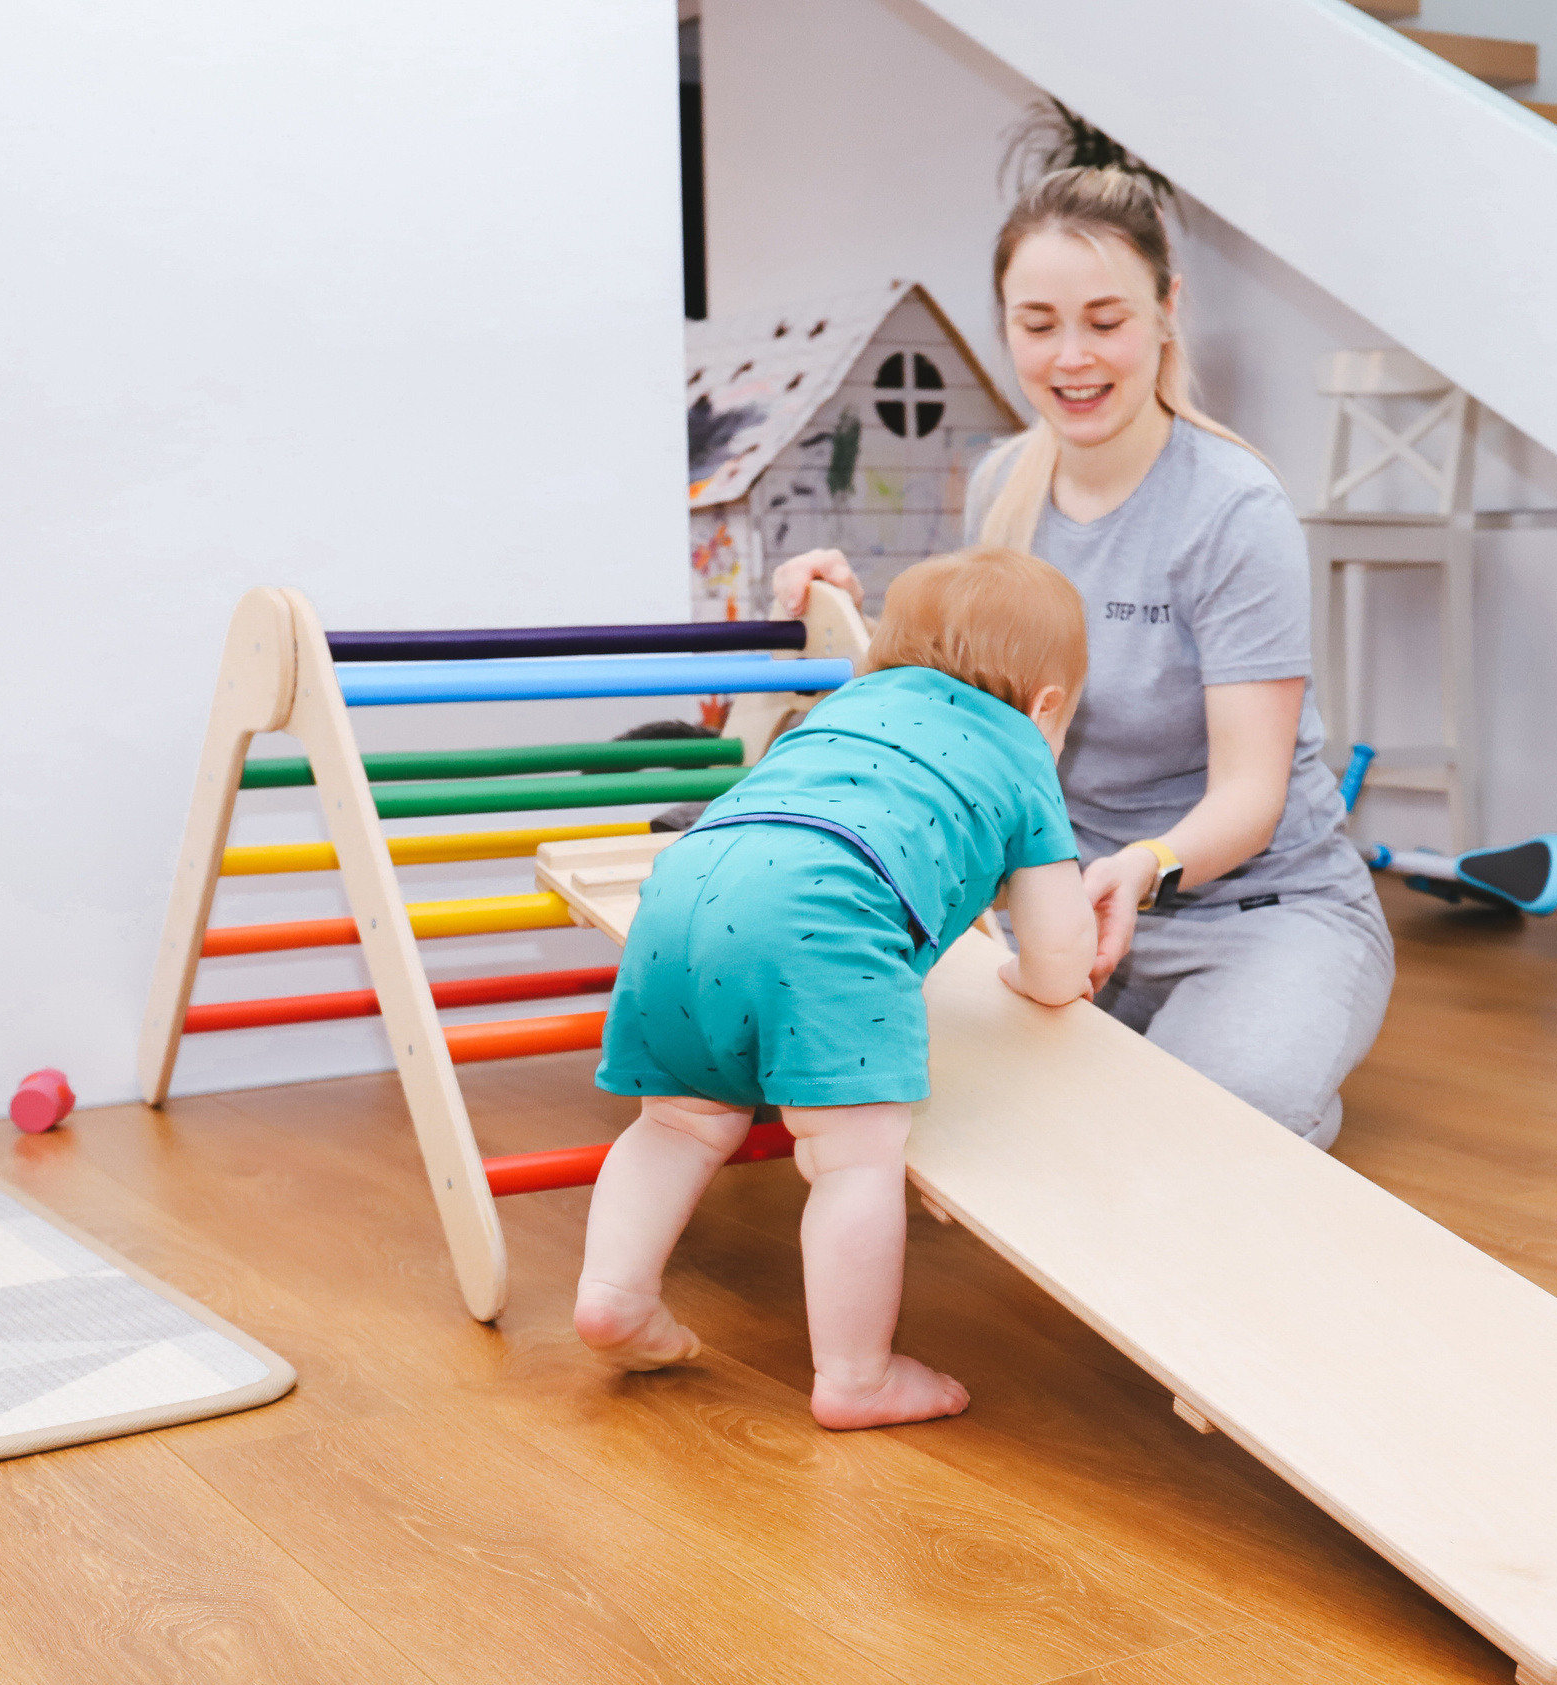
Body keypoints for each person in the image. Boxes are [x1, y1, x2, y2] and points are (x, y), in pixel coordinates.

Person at [775, 166, 1393, 1151]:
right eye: (1038, 324)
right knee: (895, 1092)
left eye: (1105, 321)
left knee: (1203, 1135)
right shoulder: (1002, 487)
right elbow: (957, 696)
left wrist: (1139, 870)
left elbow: (1250, 796)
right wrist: (849, 616)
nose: (1072, 357)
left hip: (1258, 910)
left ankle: (1263, 1066)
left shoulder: (1234, 510)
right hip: (1061, 912)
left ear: (1166, 311)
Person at [575, 548, 1097, 1430]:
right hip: (820, 912)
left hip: (682, 889)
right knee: (852, 1158)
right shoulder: (1020, 751)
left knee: (676, 1123)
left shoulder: (847, 703)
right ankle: (857, 1376)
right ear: (1048, 705)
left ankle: (613, 1294)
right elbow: (1058, 952)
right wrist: (1035, 976)